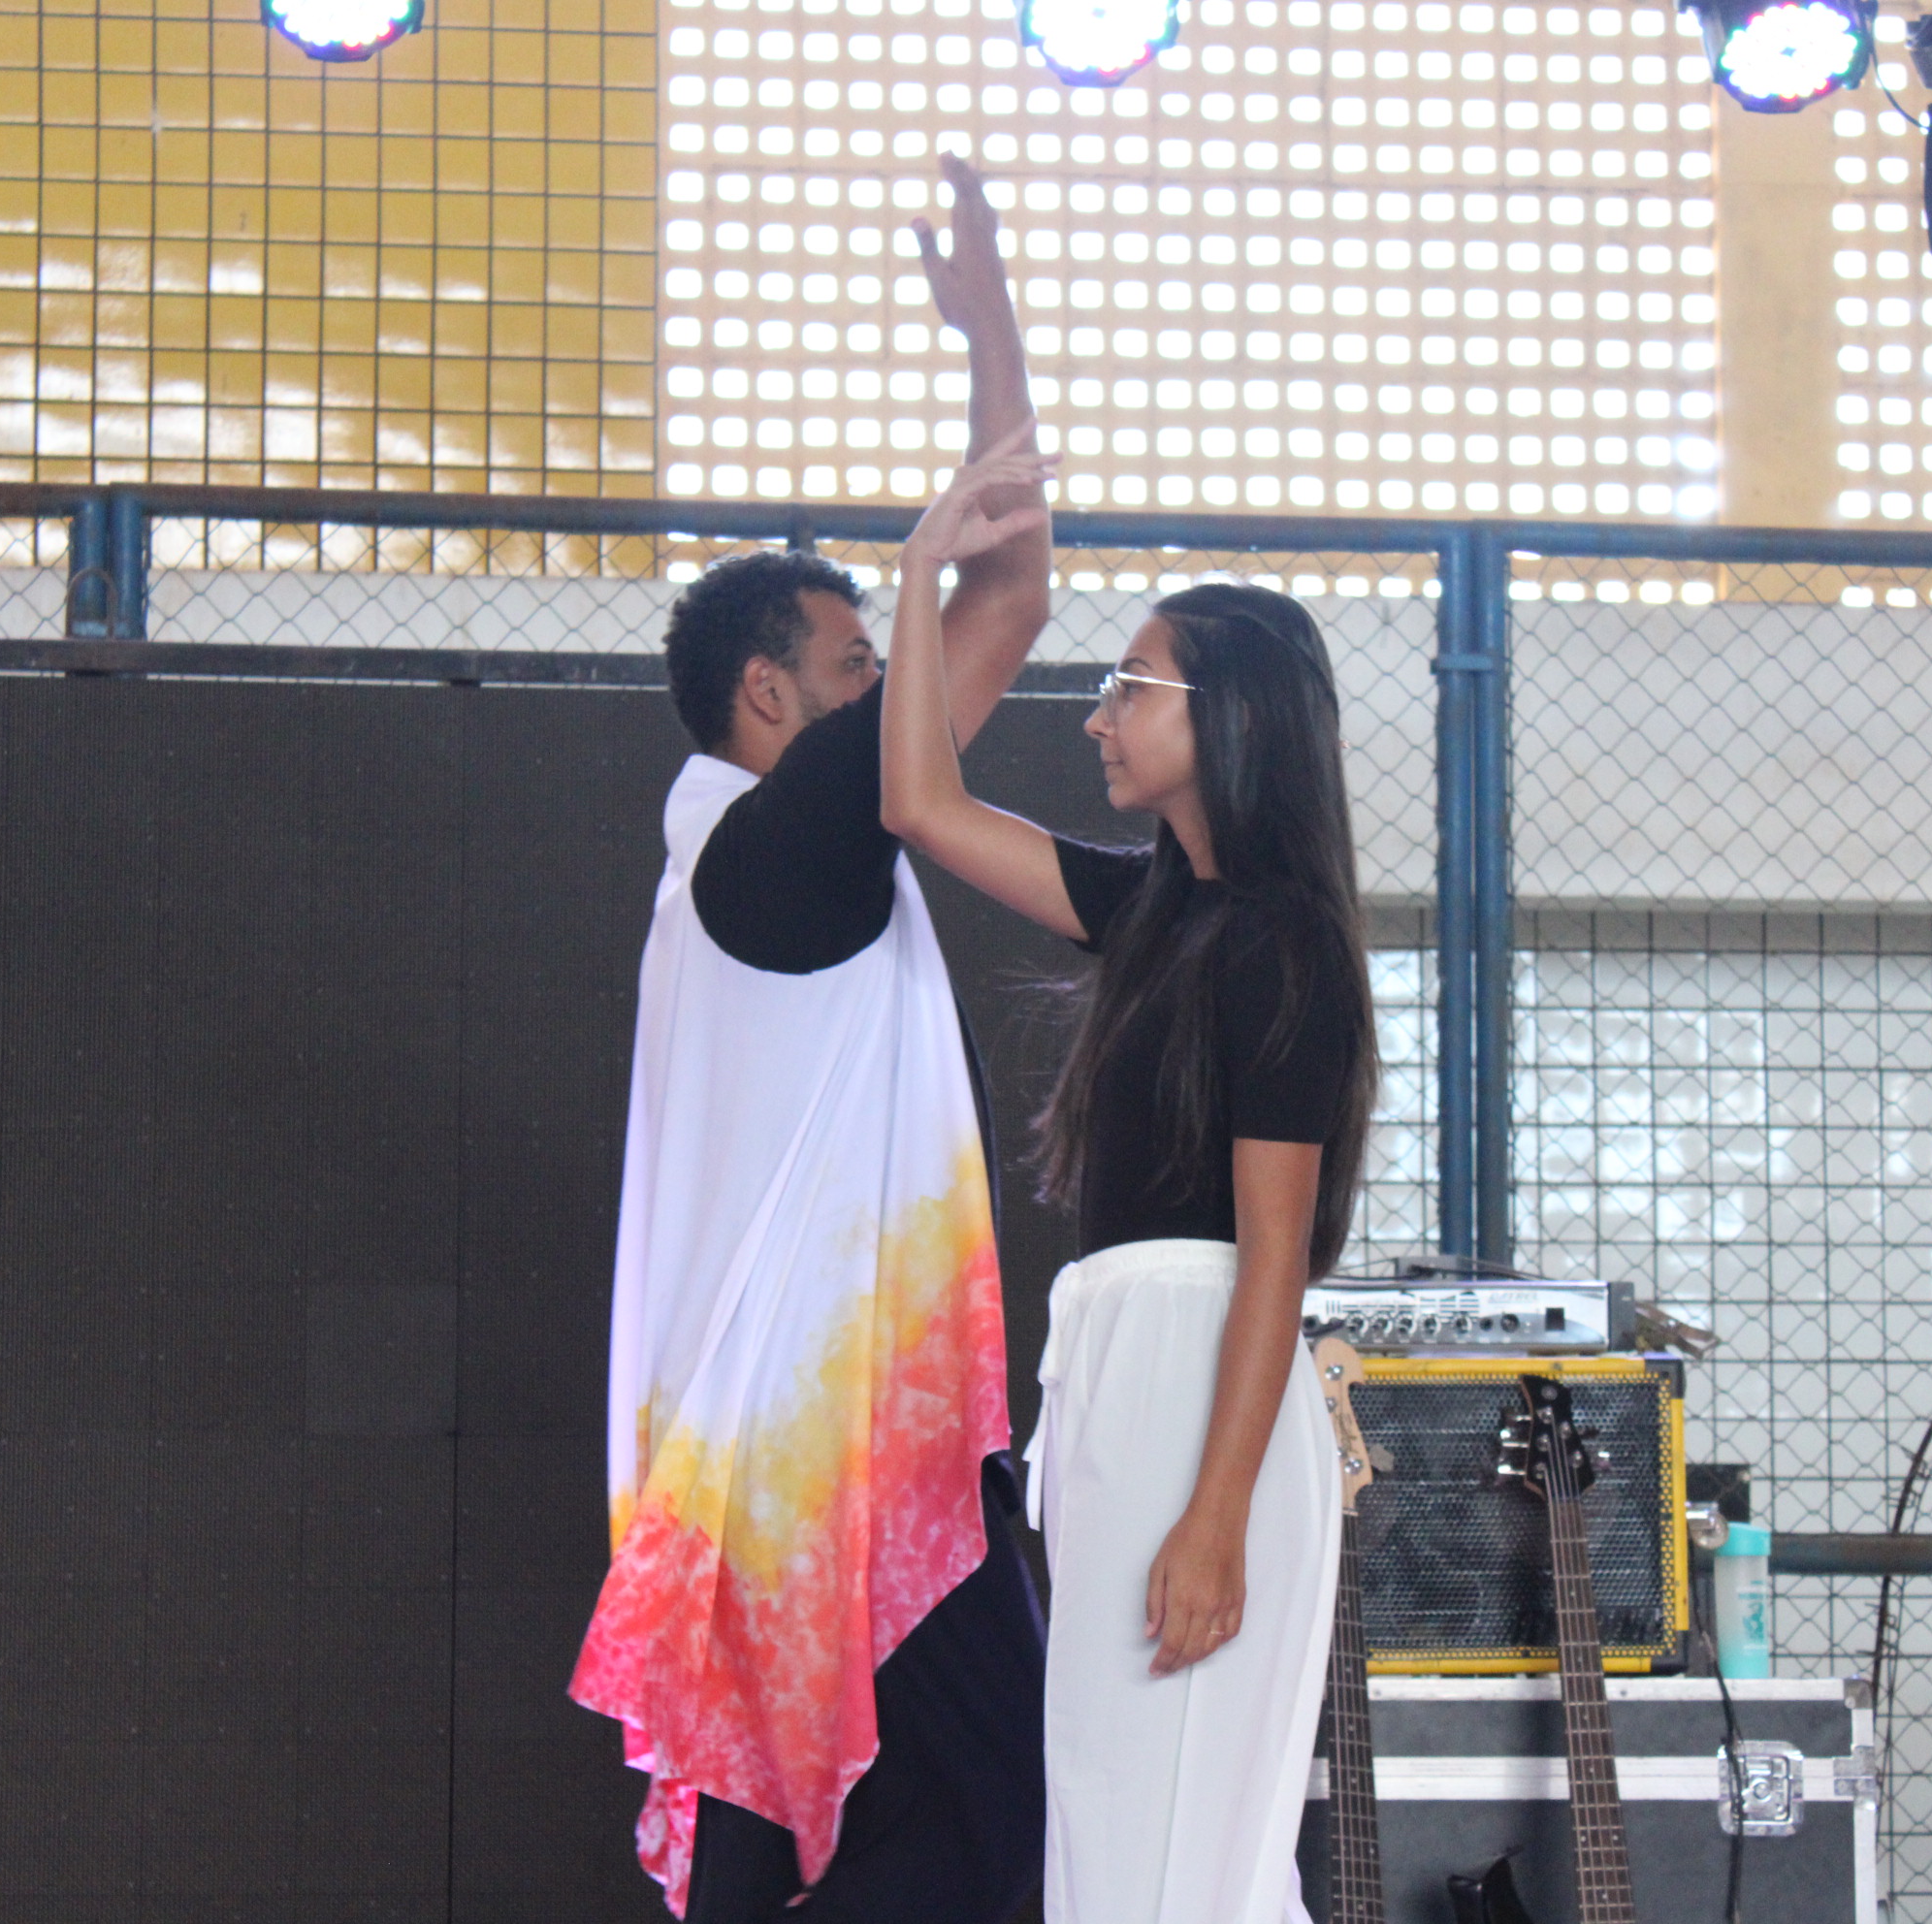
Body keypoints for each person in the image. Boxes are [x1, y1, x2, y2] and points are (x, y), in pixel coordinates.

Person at [570, 156, 1050, 1923]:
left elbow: (1001, 602)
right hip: (834, 1459)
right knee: (987, 1833)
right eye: (858, 670)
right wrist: (992, 344)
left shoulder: (728, 869)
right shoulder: (779, 852)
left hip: (776, 1466)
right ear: (769, 697)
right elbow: (1009, 600)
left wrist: (990, 342)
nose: (885, 695)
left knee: (843, 1838)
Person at [880, 430, 1379, 1924]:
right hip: (1121, 1381)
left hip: (1205, 1393)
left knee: (1182, 1862)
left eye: (1129, 686)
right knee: (1114, 1839)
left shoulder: (1285, 943)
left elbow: (1274, 1254)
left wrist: (1215, 1517)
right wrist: (921, 572)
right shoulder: (1158, 912)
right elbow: (919, 805)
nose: (1098, 718)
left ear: (1228, 717)